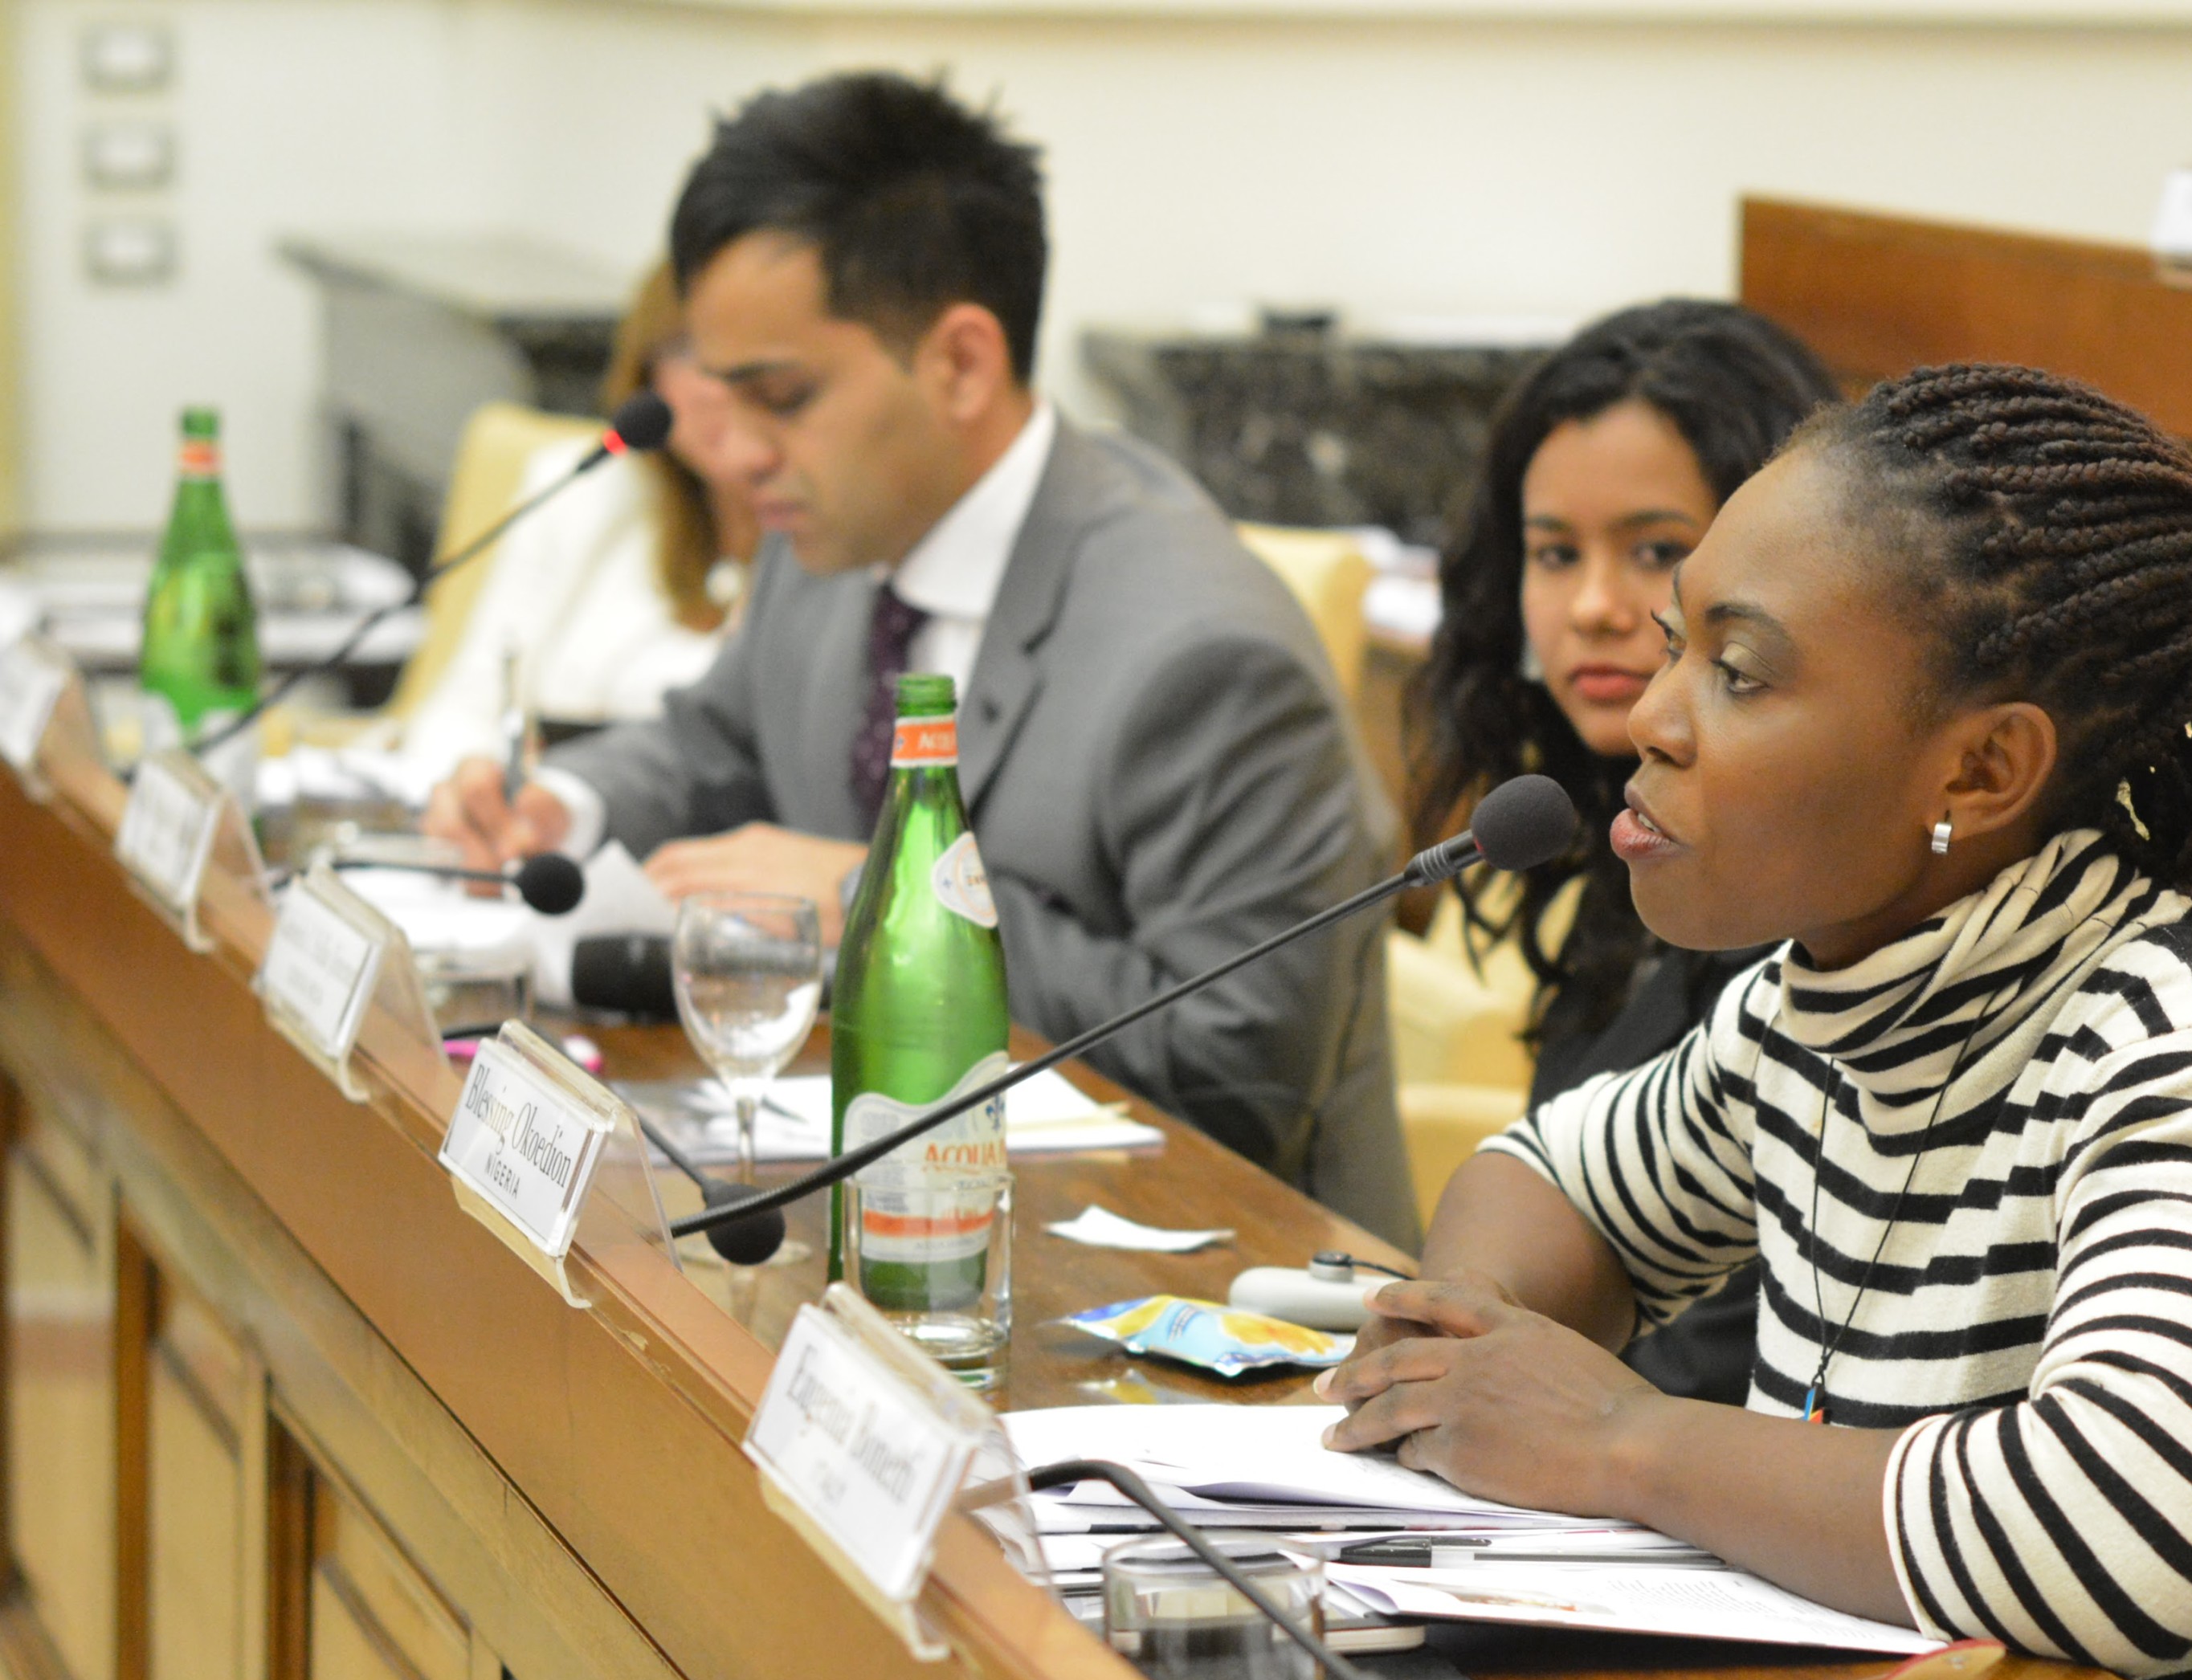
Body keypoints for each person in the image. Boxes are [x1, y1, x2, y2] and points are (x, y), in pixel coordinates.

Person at [1320, 365, 2192, 1680]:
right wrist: (1469, 1353)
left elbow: (2122, 1530)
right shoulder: (1831, 993)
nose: (1654, 718)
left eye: (1739, 669)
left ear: (1978, 768)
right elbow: (1549, 1179)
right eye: (1672, 648)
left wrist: (1616, 1437)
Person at [424, 73, 1411, 1236]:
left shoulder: (1204, 656)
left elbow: (1235, 1081)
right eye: (719, 395)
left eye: (781, 396)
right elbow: (721, 739)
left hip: (1193, 1293)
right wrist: (568, 803)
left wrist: (867, 906)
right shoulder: (835, 536)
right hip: (885, 1215)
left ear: (959, 363)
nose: (734, 455)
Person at [1410, 300, 1834, 1405]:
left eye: (1655, 551)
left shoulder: (1822, 915)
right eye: (1554, 554)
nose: (1594, 607)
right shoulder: (1606, 841)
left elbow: (1705, 1375)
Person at [392, 263, 759, 798]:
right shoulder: (587, 487)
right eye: (687, 352)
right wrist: (480, 795)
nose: (715, 388)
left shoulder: (838, 549)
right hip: (535, 842)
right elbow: (464, 708)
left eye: (744, 360)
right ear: (648, 374)